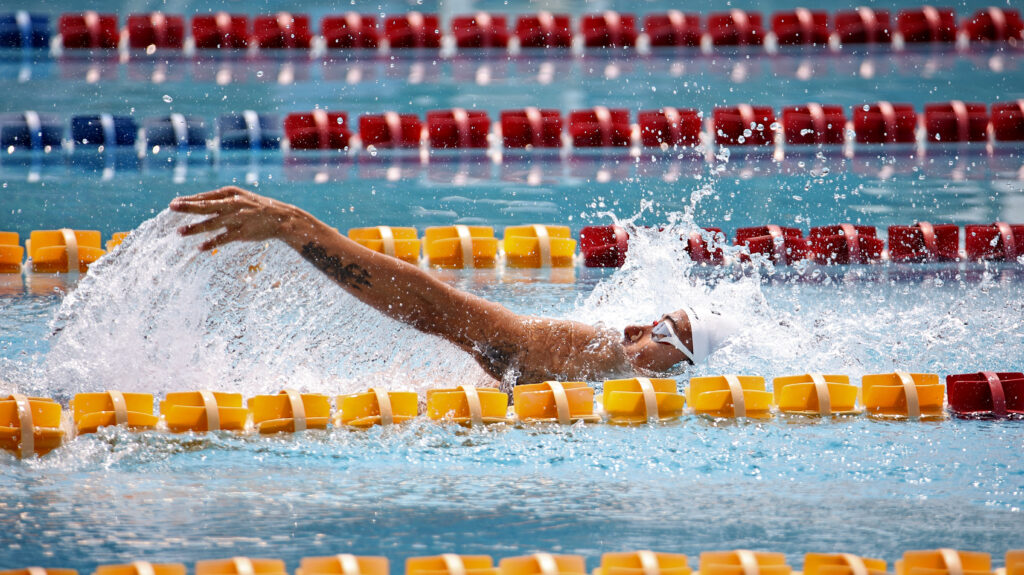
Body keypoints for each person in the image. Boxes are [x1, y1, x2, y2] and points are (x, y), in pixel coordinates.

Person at [170, 187, 738, 388]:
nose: (635, 328)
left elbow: (435, 308)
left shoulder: (602, 366)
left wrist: (297, 228)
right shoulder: (587, 351)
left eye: (663, 332)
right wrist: (298, 228)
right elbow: (442, 310)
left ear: (681, 367)